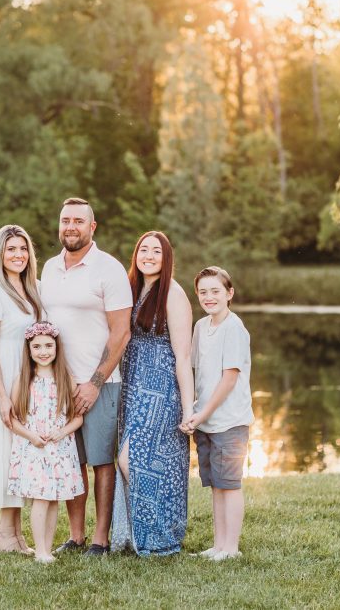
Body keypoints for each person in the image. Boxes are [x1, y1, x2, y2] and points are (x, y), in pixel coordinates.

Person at [40, 197, 132, 556]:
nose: (71, 227)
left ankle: (100, 538)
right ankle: (75, 536)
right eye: (65, 220)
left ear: (92, 227)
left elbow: (121, 332)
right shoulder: (48, 268)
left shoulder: (108, 269)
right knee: (71, 460)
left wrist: (95, 383)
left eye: (79, 221)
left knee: (100, 461)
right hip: (60, 383)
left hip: (102, 384)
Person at [110, 231, 194, 556]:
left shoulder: (172, 293)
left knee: (134, 460)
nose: (148, 255)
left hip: (161, 388)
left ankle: (159, 536)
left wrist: (188, 409)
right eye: (143, 249)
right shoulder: (131, 289)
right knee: (144, 462)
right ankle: (140, 535)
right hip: (132, 386)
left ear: (166, 257)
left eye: (156, 251)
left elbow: (184, 357)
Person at [0, 225, 44, 554]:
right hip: (3, 378)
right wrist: (3, 395)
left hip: (32, 380)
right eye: (11, 249)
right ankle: (3, 532)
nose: (18, 255)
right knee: (5, 450)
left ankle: (16, 535)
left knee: (23, 454)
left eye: (23, 248)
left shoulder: (35, 288)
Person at [180, 266, 254, 562]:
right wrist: (194, 410)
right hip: (206, 420)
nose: (209, 297)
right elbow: (196, 370)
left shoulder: (234, 328)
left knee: (229, 484)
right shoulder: (201, 327)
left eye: (215, 291)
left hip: (229, 420)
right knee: (215, 485)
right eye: (203, 292)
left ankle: (231, 548)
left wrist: (203, 412)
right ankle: (219, 543)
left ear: (229, 293)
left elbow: (228, 379)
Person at [7, 321, 85, 564]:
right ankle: (40, 550)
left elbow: (77, 418)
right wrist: (31, 436)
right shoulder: (23, 379)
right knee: (41, 497)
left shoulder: (66, 378)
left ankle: (46, 549)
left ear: (56, 347)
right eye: (37, 346)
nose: (43, 351)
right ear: (29, 350)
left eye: (48, 346)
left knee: (53, 498)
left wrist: (62, 432)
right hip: (34, 448)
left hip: (59, 448)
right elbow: (12, 420)